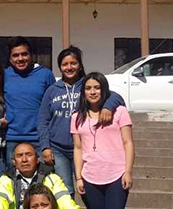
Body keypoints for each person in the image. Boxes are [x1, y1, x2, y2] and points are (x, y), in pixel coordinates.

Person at [72, 73, 134, 209]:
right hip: (90, 176)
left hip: (116, 174)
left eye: (97, 87)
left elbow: (128, 143)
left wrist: (128, 171)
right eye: (88, 88)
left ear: (104, 89)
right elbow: (78, 148)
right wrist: (79, 177)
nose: (92, 92)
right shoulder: (77, 117)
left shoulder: (119, 112)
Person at [39, 47, 124, 195]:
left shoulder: (88, 85)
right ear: (59, 67)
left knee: (87, 188)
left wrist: (108, 107)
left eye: (73, 63)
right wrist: (45, 146)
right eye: (65, 64)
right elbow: (42, 120)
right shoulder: (52, 90)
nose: (69, 67)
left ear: (80, 65)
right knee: (66, 190)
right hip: (59, 150)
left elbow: (116, 97)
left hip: (85, 148)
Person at [0, 143, 90, 209]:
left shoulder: (51, 178)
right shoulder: (5, 180)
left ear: (37, 159)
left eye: (29, 155)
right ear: (14, 161)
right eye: (19, 156)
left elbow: (67, 204)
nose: (24, 160)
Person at [3, 37, 55, 167]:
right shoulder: (3, 75)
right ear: (10, 59)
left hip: (39, 140)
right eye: (15, 55)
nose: (20, 58)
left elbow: (53, 106)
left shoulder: (45, 75)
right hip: (12, 139)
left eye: (24, 54)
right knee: (14, 183)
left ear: (31, 55)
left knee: (42, 183)